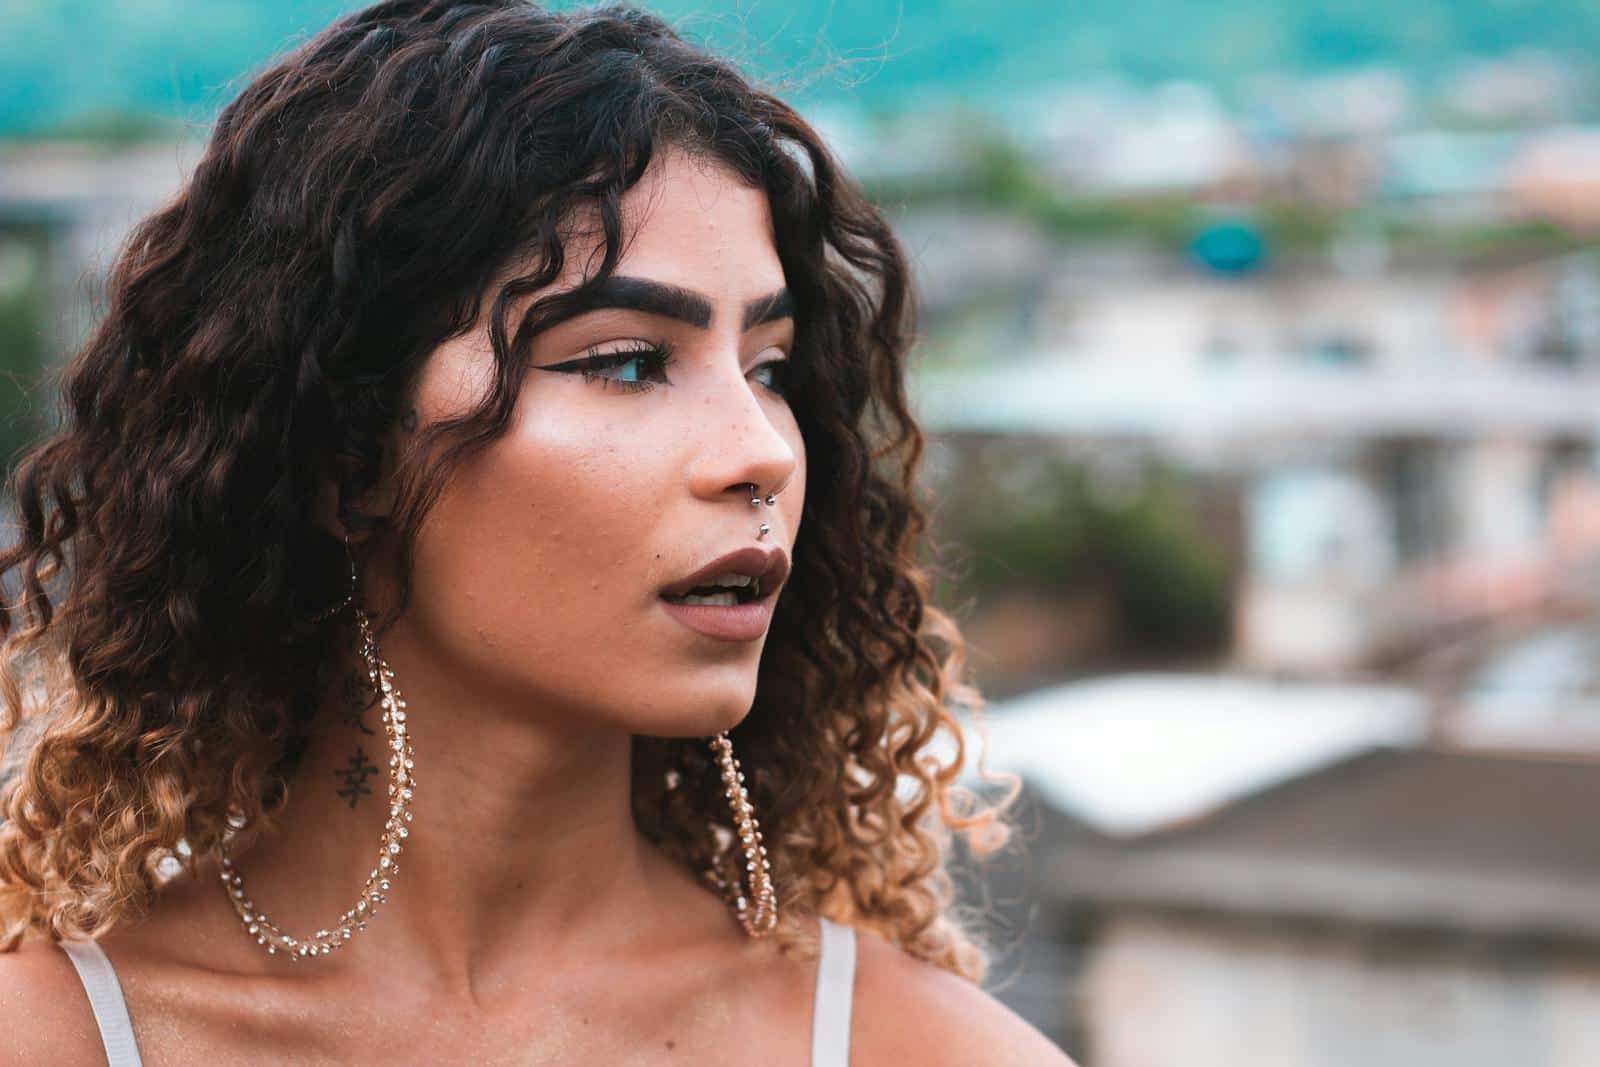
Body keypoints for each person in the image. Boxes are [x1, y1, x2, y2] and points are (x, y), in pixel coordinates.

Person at [0, 1, 1075, 1063]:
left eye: (770, 369)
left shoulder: (910, 1045)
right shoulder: (59, 1030)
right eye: (624, 361)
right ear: (346, 457)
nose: (763, 452)